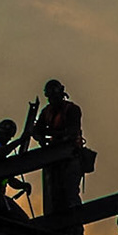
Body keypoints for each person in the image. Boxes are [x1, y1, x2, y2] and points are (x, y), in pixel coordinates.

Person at [32, 79, 87, 222]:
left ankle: (75, 228)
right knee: (53, 196)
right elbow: (37, 130)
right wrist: (41, 137)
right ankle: (56, 226)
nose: (52, 100)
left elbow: (72, 133)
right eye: (50, 97)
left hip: (71, 157)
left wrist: (49, 133)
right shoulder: (47, 111)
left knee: (70, 195)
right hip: (53, 158)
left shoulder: (72, 109)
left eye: (54, 96)